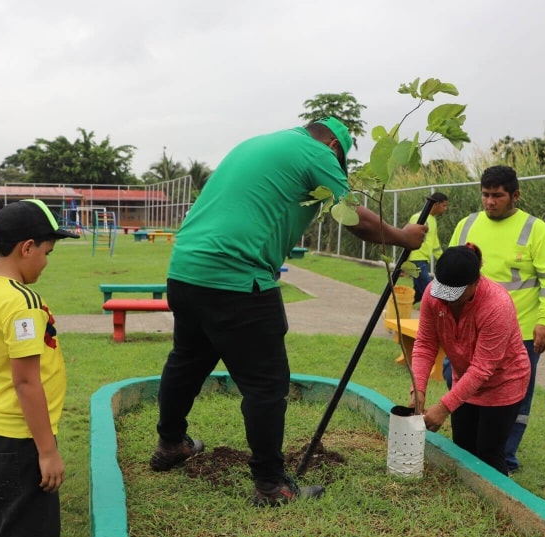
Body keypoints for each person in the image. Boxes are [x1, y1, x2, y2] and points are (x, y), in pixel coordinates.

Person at [150, 117, 428, 506]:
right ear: (334, 147)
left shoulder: (259, 144)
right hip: (239, 277)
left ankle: (170, 444)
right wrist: (403, 237)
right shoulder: (318, 153)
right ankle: (271, 485)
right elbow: (354, 218)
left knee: (187, 362)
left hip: (186, 271)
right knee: (266, 385)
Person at [0, 199, 80, 537]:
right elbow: (26, 382)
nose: (46, 262)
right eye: (47, 253)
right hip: (19, 442)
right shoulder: (23, 303)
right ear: (27, 247)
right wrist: (47, 452)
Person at [446, 165, 545, 473]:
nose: (490, 202)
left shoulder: (537, 231)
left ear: (515, 195)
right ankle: (471, 451)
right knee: (457, 380)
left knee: (515, 397)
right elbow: (452, 272)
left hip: (519, 333)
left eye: (497, 196)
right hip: (470, 330)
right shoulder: (467, 225)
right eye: (485, 195)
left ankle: (504, 458)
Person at [408, 244, 530, 475]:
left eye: (454, 296)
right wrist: (418, 389)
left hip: (503, 384)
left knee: (488, 453)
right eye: (443, 292)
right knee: (463, 450)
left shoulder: (497, 305)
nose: (446, 301)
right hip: (465, 381)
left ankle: (499, 497)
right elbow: (425, 344)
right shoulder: (433, 295)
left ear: (475, 282)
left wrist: (444, 407)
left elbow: (483, 368)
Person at [407, 192, 449, 303]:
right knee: (429, 291)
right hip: (416, 260)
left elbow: (435, 244)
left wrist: (444, 259)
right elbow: (408, 238)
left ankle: (398, 307)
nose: (445, 209)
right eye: (444, 205)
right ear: (435, 204)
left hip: (423, 260)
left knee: (418, 294)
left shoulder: (433, 220)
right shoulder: (418, 218)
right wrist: (405, 262)